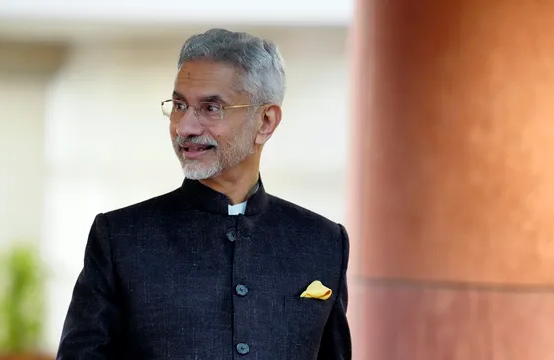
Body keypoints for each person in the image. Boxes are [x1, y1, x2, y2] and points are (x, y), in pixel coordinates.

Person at [56, 28, 351, 360]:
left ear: (265, 121)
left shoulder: (323, 242)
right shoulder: (121, 237)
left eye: (211, 108)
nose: (185, 127)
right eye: (179, 105)